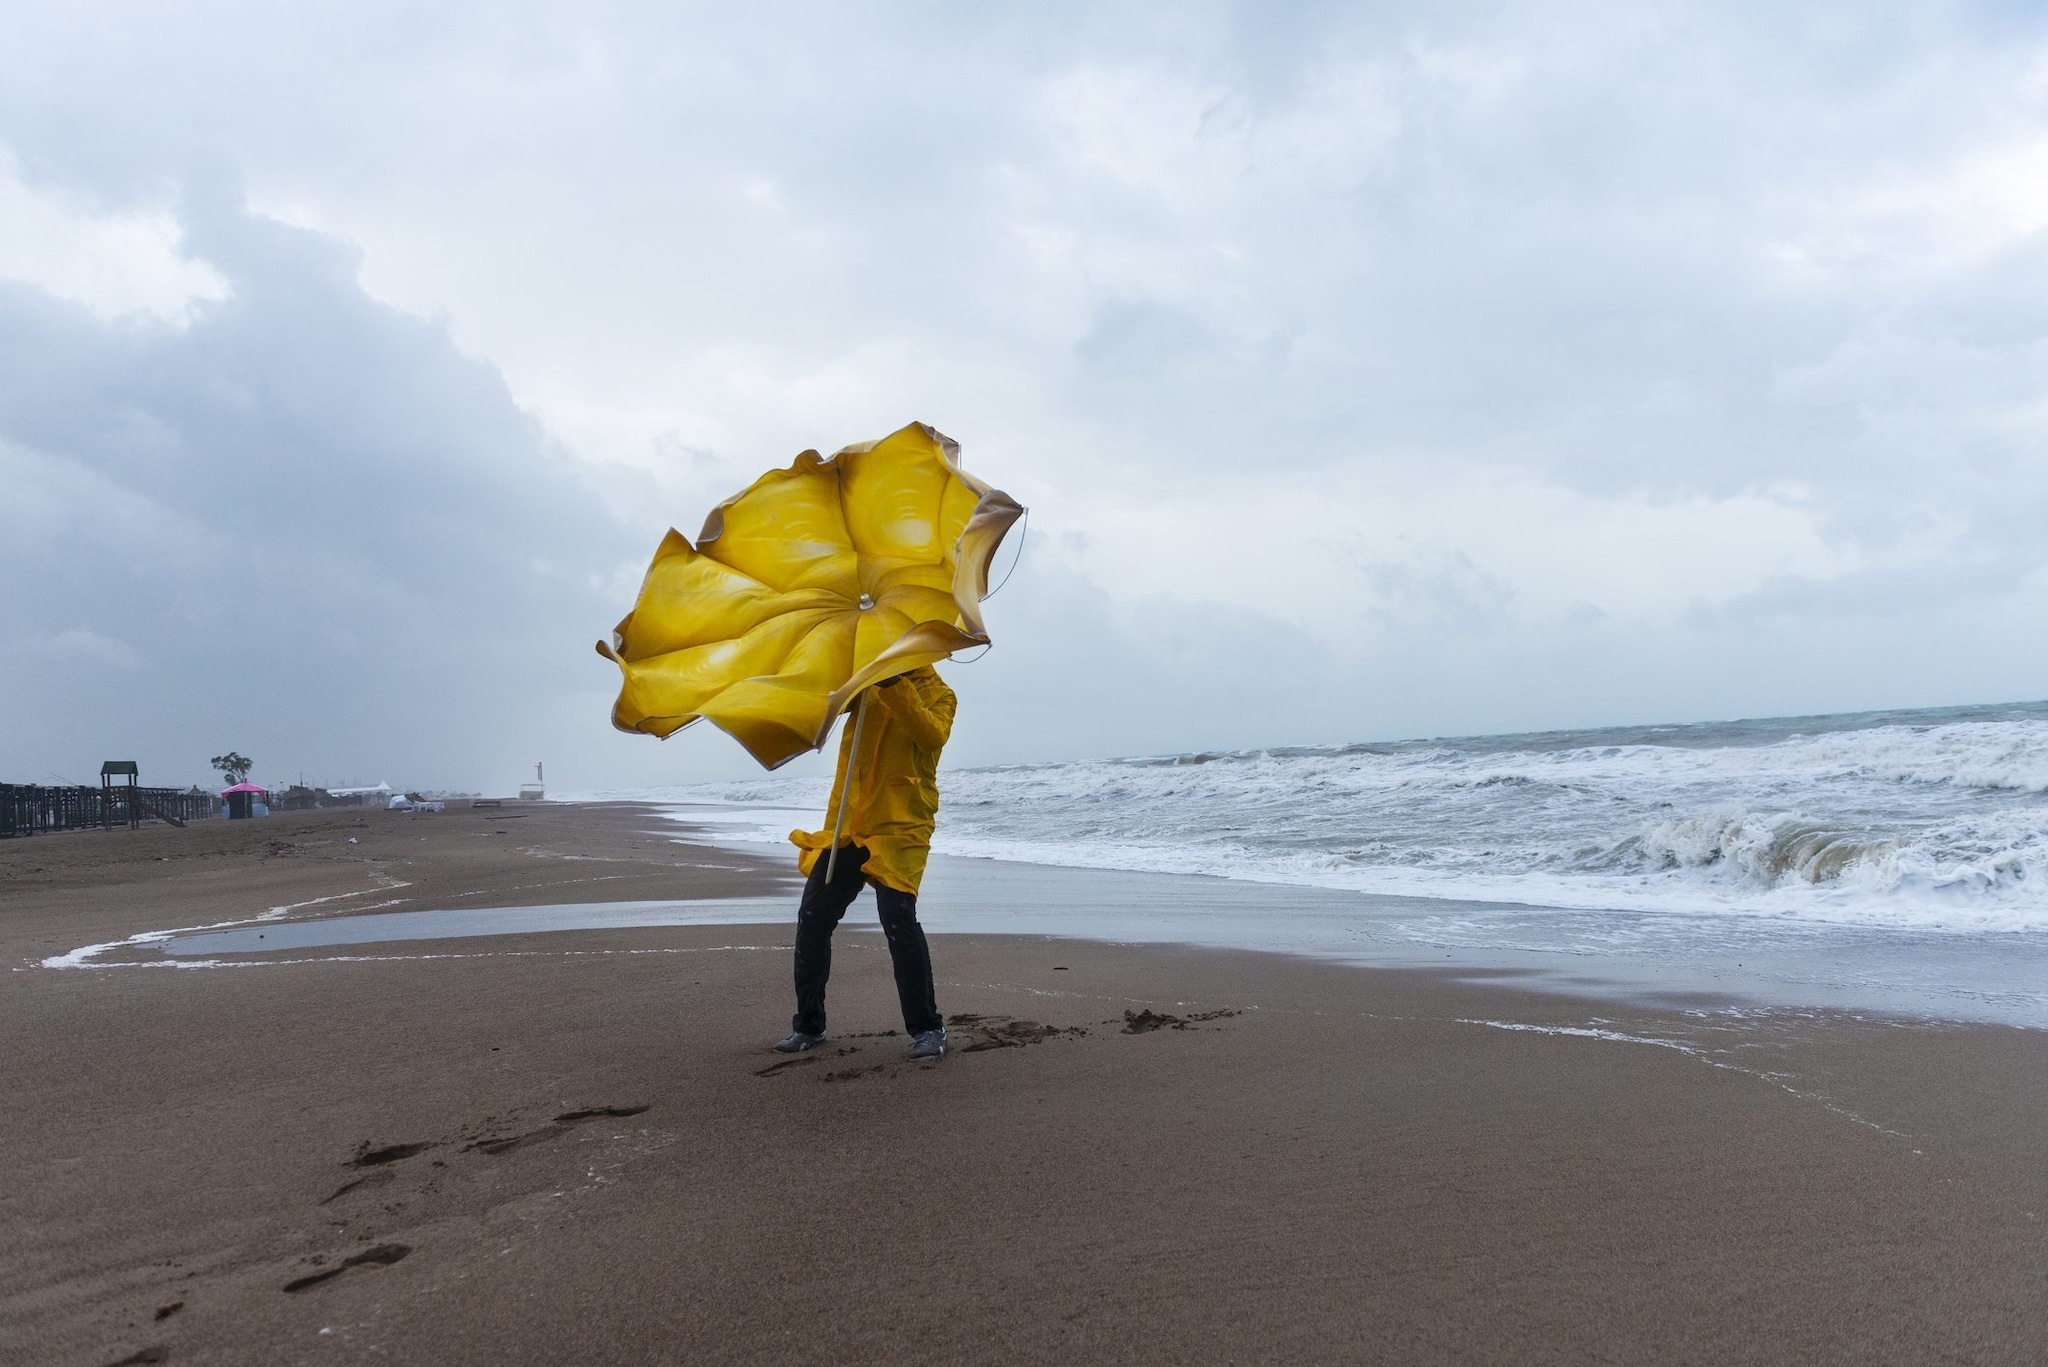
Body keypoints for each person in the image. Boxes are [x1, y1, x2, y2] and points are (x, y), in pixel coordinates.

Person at [775, 664, 956, 1061]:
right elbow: (824, 711)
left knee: (898, 919)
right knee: (813, 917)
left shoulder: (940, 694)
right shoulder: (865, 688)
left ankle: (929, 1028)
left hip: (901, 827)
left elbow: (930, 735)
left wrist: (892, 683)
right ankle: (808, 1025)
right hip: (850, 826)